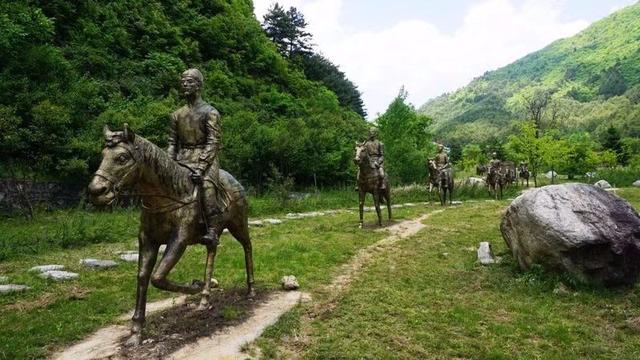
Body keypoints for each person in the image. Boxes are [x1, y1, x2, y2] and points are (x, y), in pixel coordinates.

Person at [167, 68, 226, 246]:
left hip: (205, 158)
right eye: (183, 81)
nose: (185, 84)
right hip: (182, 158)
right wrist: (168, 163)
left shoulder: (210, 112)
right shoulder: (176, 114)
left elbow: (213, 142)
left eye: (190, 81)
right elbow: (171, 142)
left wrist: (201, 167)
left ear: (199, 85)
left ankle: (213, 230)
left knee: (207, 187)